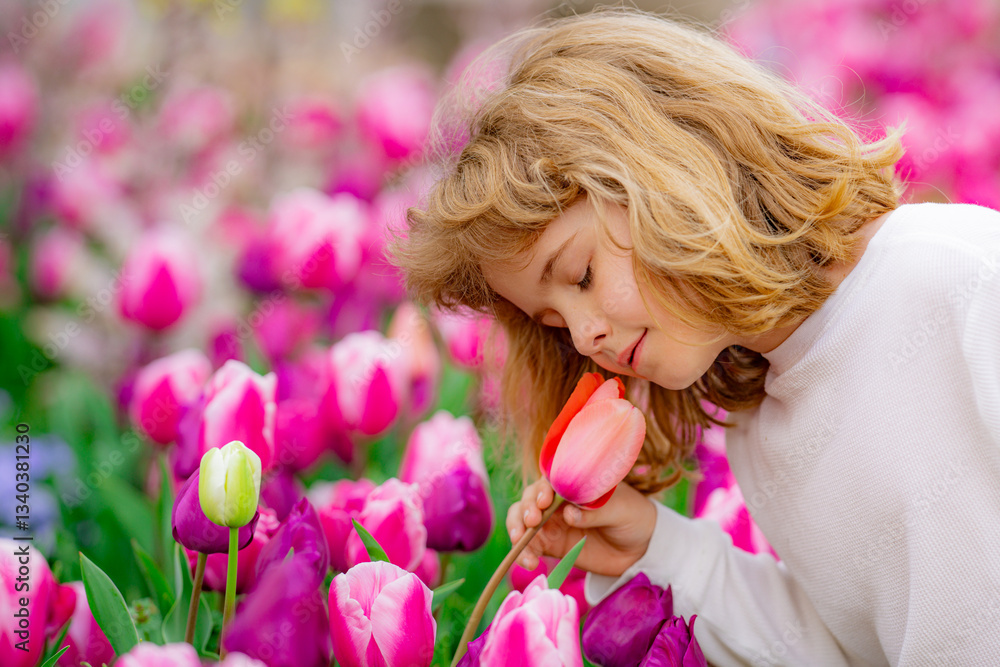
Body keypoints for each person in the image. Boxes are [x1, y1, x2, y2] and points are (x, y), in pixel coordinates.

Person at [387, 6, 1000, 666]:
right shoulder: (759, 430)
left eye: (581, 273)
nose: (586, 336)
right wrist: (653, 545)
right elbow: (845, 651)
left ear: (669, 169)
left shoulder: (957, 280)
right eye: (555, 323)